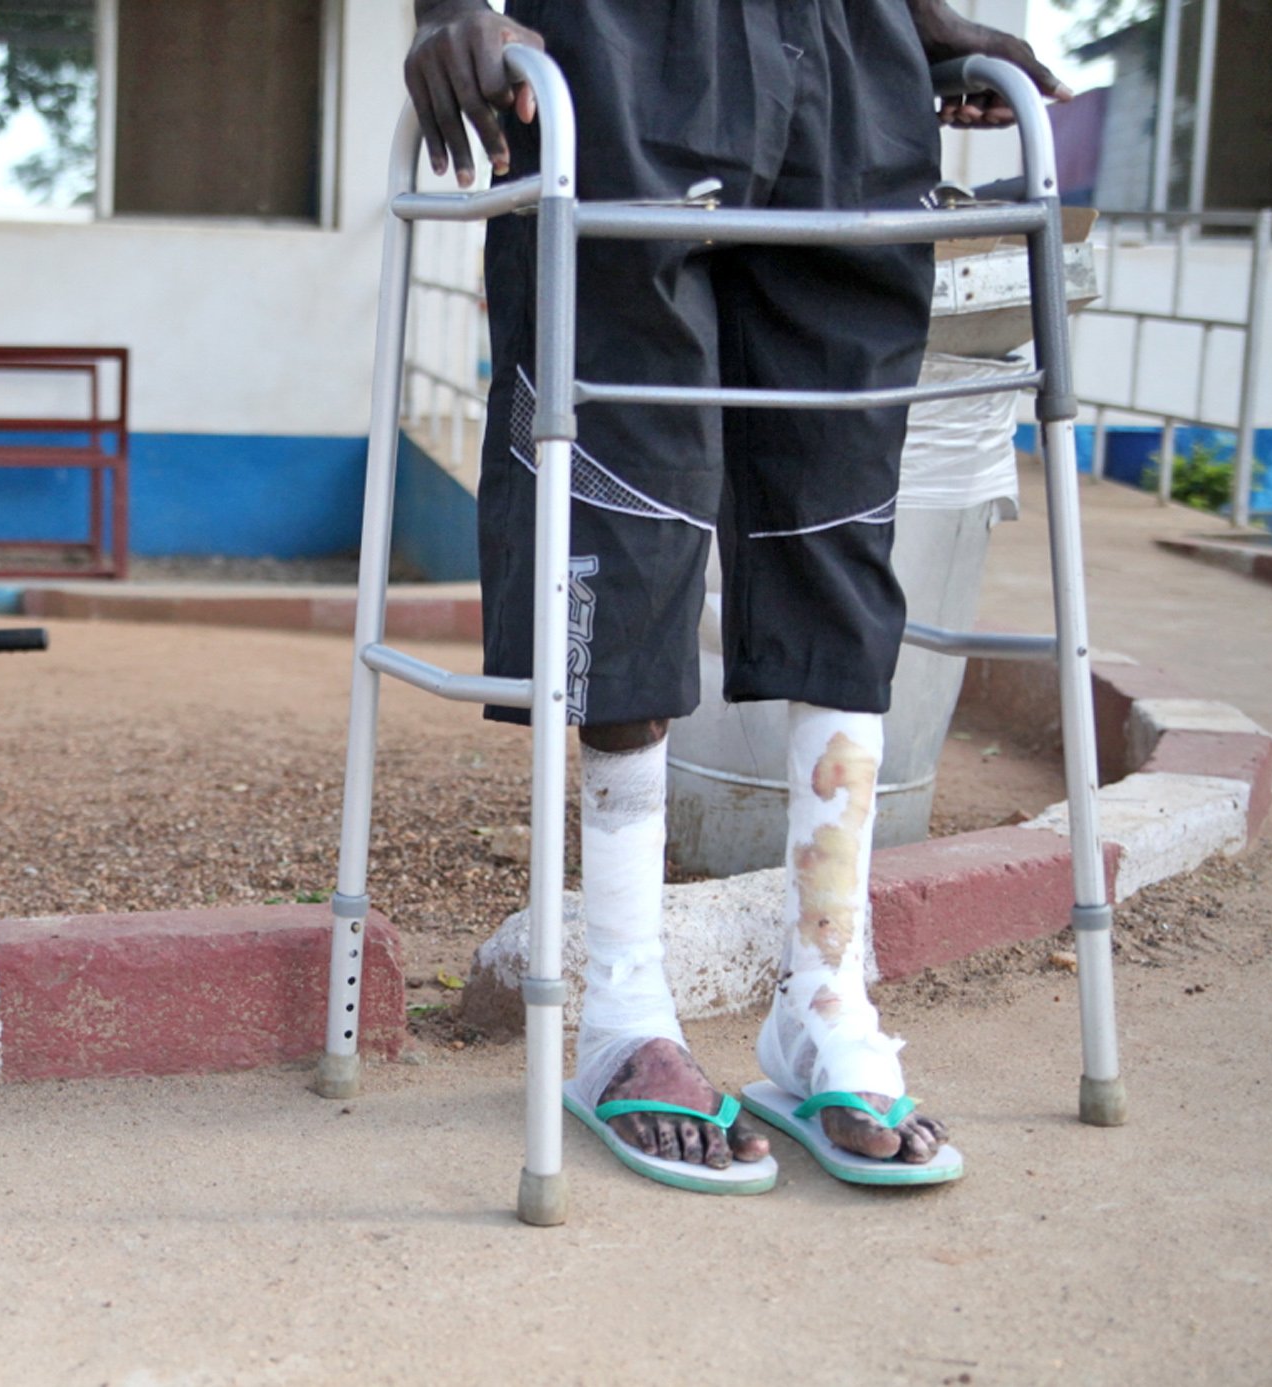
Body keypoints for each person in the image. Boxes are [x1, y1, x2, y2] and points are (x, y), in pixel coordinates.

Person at [404, 0, 1069, 1189]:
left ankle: (821, 999)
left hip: (847, 56)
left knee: (835, 507)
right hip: (625, 42)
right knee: (629, 498)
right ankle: (621, 1013)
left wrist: (913, 19)